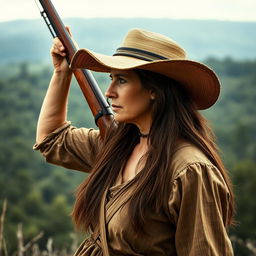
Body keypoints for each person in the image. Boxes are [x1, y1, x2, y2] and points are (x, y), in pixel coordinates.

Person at [34, 28, 234, 255]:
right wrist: (62, 73)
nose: (109, 92)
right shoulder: (117, 146)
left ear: (154, 90)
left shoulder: (190, 170)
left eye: (121, 80)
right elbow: (52, 140)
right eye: (111, 79)